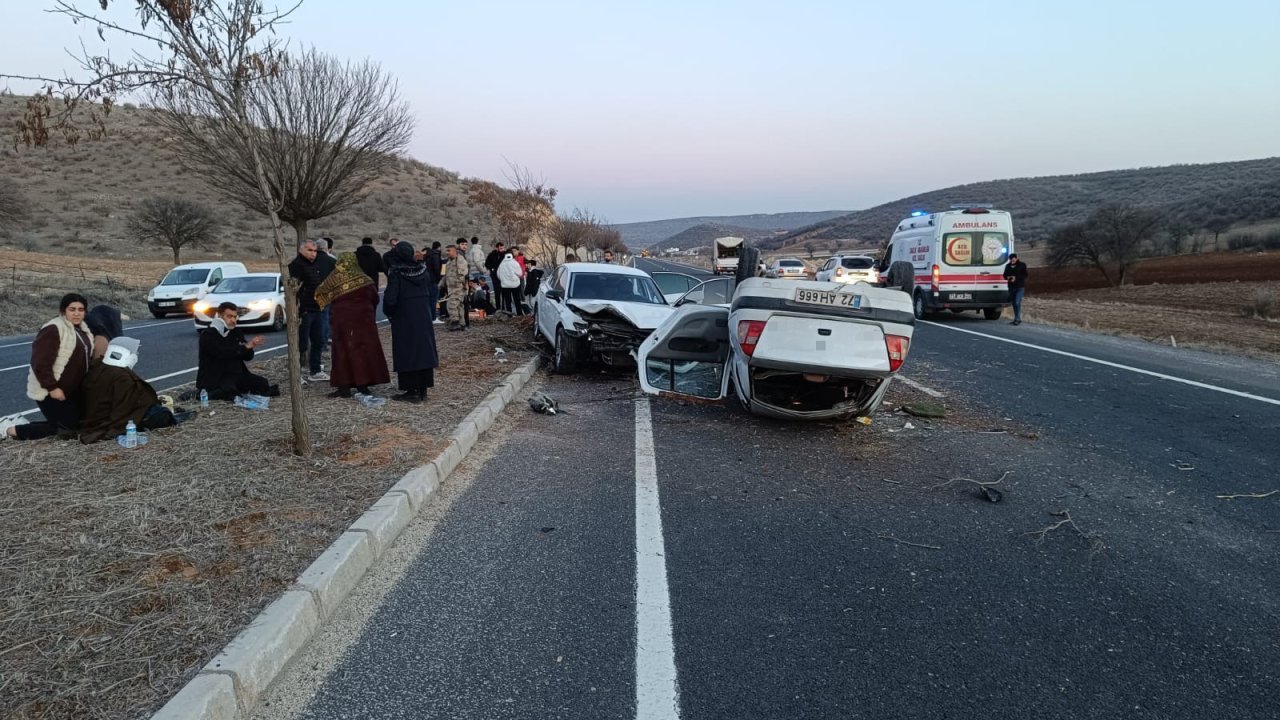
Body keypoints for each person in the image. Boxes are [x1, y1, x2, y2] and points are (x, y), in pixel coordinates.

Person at [5, 293, 93, 441]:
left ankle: (19, 423)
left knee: (76, 424)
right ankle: (9, 430)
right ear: (63, 310)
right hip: (50, 390)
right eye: (72, 309)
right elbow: (40, 363)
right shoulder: (53, 329)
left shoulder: (82, 330)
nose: (77, 313)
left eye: (81, 309)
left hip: (71, 392)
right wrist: (52, 388)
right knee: (64, 430)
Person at [78, 337, 181, 444]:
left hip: (93, 418)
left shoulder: (97, 366)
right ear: (129, 355)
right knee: (163, 414)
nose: (137, 355)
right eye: (135, 352)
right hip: (108, 420)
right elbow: (123, 409)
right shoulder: (122, 377)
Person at [315, 253, 391, 399]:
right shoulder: (365, 279)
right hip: (364, 321)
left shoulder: (333, 278)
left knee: (342, 351)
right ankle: (363, 385)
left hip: (342, 321)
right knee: (363, 351)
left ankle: (344, 386)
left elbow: (320, 294)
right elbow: (375, 298)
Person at [383, 242, 439, 403]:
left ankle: (411, 390)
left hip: (404, 315)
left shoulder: (396, 272)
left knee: (407, 350)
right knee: (424, 349)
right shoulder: (423, 270)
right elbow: (430, 291)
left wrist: (390, 312)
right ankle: (423, 389)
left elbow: (390, 299)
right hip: (423, 314)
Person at [197, 302, 279, 400]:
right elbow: (223, 353)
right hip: (215, 377)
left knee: (262, 383)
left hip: (235, 374)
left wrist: (250, 347)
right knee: (229, 391)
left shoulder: (235, 332)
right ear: (219, 316)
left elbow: (248, 357)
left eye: (235, 317)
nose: (233, 320)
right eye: (229, 316)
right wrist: (244, 347)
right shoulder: (207, 335)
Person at [288, 239, 336, 381]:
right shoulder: (296, 266)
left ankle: (315, 370)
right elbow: (293, 290)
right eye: (310, 250)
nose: (313, 253)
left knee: (319, 340)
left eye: (315, 250)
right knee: (301, 344)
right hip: (304, 310)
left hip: (318, 308)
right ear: (301, 250)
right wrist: (299, 309)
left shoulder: (315, 264)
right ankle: (298, 373)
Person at [443, 243, 470, 331]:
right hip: (451, 288)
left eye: (449, 251)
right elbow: (446, 275)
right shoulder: (449, 262)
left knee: (451, 305)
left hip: (458, 288)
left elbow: (463, 274)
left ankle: (455, 322)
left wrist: (461, 286)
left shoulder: (460, 260)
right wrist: (440, 285)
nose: (447, 253)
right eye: (446, 251)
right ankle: (462, 324)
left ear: (454, 251)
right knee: (459, 306)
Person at [1003, 253, 1029, 326]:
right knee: (1014, 303)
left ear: (1016, 258)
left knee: (1017, 302)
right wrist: (1008, 277)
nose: (1012, 259)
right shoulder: (1007, 266)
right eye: (1011, 258)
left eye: (1014, 258)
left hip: (1020, 287)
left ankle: (1018, 319)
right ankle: (1017, 319)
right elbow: (1004, 275)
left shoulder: (1022, 265)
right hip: (1011, 287)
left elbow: (1025, 275)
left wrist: (1016, 278)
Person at [425, 241, 445, 325]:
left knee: (429, 299)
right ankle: (433, 318)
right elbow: (437, 268)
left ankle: (429, 317)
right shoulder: (436, 255)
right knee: (434, 299)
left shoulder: (428, 254)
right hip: (433, 280)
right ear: (439, 247)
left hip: (427, 279)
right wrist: (439, 278)